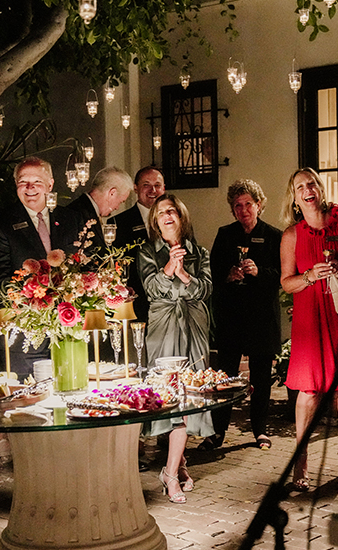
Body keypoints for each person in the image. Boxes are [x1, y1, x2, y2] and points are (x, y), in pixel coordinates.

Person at [279, 168, 338, 491]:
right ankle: (300, 458)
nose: (308, 189)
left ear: (321, 187)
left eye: (312, 183)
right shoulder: (291, 235)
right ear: (295, 197)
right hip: (309, 319)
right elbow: (286, 282)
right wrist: (308, 277)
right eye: (300, 186)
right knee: (309, 390)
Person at [138, 194, 214, 504]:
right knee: (169, 399)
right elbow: (151, 289)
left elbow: (206, 289)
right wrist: (170, 265)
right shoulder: (146, 252)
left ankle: (175, 467)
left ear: (181, 217)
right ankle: (173, 471)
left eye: (172, 211)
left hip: (194, 327)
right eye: (160, 213)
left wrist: (184, 273)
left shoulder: (202, 252)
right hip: (162, 328)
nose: (167, 216)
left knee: (189, 397)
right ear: (155, 222)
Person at [0, 156, 85, 380]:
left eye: (37, 182)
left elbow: (86, 265)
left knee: (71, 393)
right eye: (22, 182)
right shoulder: (1, 224)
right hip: (23, 335)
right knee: (27, 403)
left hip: (69, 330)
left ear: (50, 184)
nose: (30, 188)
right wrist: (34, 294)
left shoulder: (71, 219)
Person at [207, 179, 282, 451]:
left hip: (262, 319)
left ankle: (260, 431)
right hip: (232, 320)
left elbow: (282, 277)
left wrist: (259, 272)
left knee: (261, 379)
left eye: (248, 203)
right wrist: (228, 274)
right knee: (224, 379)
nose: (243, 210)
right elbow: (212, 273)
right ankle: (217, 433)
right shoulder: (225, 234)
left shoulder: (275, 236)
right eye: (237, 205)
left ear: (259, 205)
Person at [112, 166, 166, 323]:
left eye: (157, 185)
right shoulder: (117, 223)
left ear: (164, 188)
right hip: (137, 306)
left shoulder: (177, 220)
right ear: (135, 188)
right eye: (146, 185)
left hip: (171, 305)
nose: (153, 190)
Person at [67, 166, 132, 251]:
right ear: (112, 193)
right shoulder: (76, 215)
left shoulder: (84, 209)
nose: (117, 207)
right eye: (120, 202)